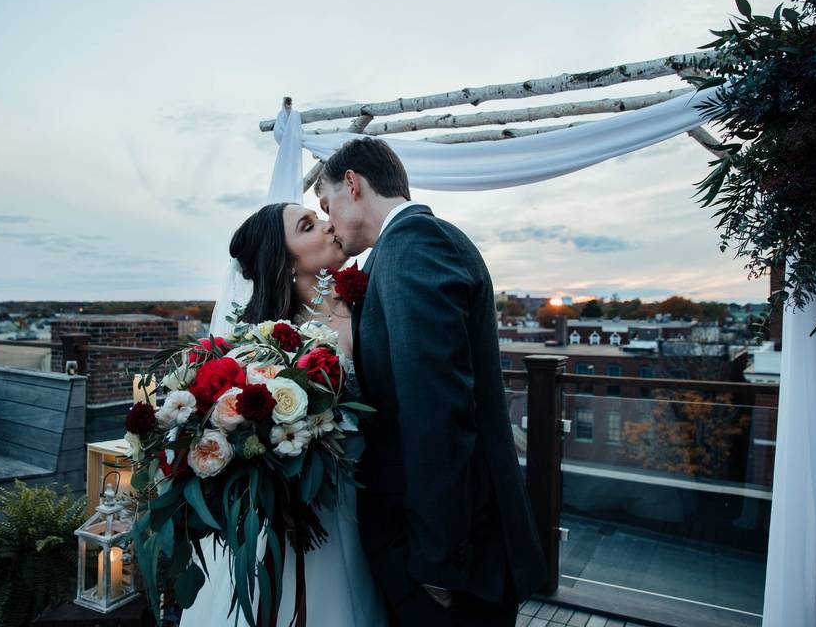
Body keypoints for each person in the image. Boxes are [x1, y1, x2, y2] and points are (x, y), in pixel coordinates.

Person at [316, 137, 548, 626]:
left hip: (450, 562)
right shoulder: (400, 251)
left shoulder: (416, 245)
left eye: (326, 203)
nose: (328, 222)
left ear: (353, 184)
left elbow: (437, 409)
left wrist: (437, 563)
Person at [179, 202, 387, 627]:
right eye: (308, 226)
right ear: (285, 261)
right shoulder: (266, 343)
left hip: (371, 498)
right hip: (307, 508)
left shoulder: (369, 300)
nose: (330, 226)